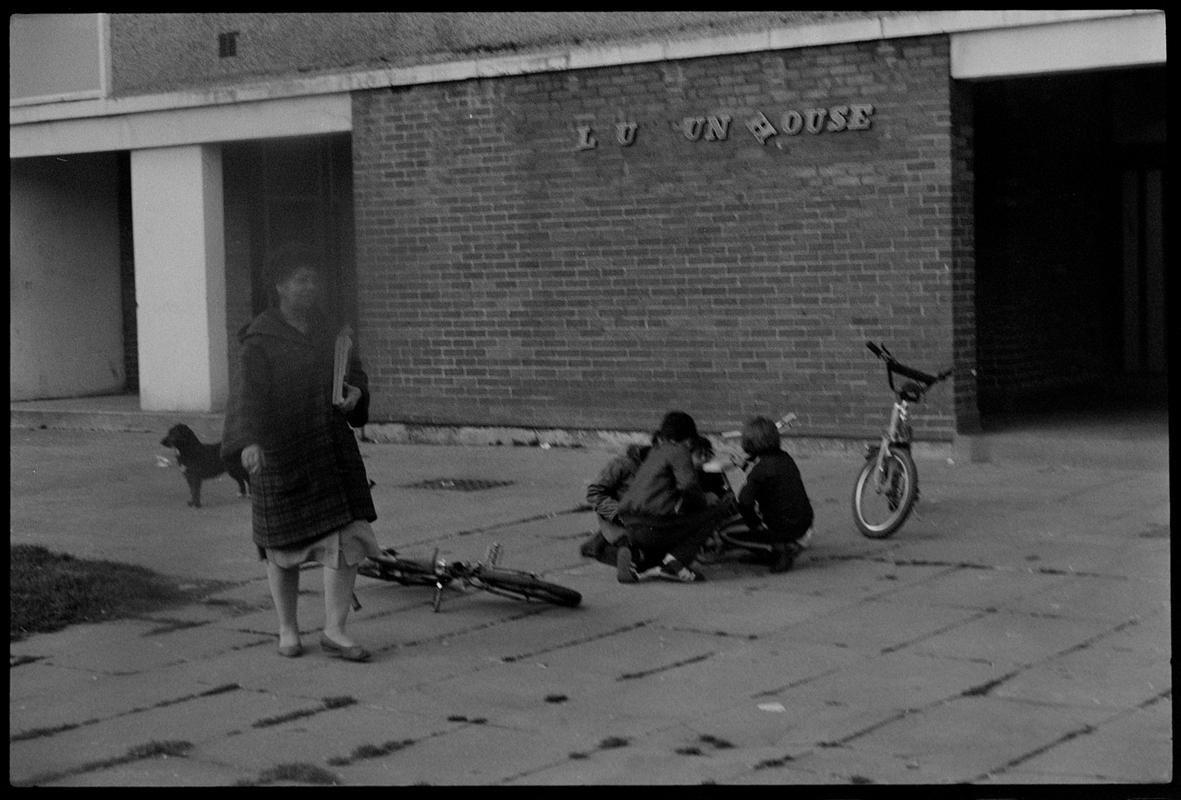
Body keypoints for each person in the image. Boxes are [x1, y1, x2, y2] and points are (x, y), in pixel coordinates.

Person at [221, 243, 381, 662]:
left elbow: (355, 375)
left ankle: (335, 629)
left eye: (314, 279)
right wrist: (249, 442)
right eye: (299, 280)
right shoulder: (259, 339)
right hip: (281, 452)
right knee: (282, 548)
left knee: (347, 540)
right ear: (280, 287)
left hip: (330, 450)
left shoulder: (334, 332)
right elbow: (246, 396)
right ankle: (288, 629)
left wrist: (355, 393)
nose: (309, 287)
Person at [614, 411, 731, 584]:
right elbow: (688, 485)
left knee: (674, 521)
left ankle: (635, 556)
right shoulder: (679, 451)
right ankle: (675, 562)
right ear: (690, 438)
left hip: (630, 523)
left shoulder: (655, 452)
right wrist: (705, 500)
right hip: (655, 524)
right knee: (718, 508)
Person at [734, 415, 815, 573]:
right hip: (805, 520)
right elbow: (772, 478)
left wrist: (754, 524)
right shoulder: (785, 458)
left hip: (783, 526)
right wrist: (745, 466)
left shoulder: (760, 471)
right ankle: (779, 548)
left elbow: (744, 501)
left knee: (736, 528)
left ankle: (781, 550)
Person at [580, 436, 654, 566]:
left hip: (643, 521)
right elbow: (595, 493)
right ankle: (598, 549)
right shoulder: (623, 465)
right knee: (640, 560)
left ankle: (602, 540)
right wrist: (618, 514)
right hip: (618, 519)